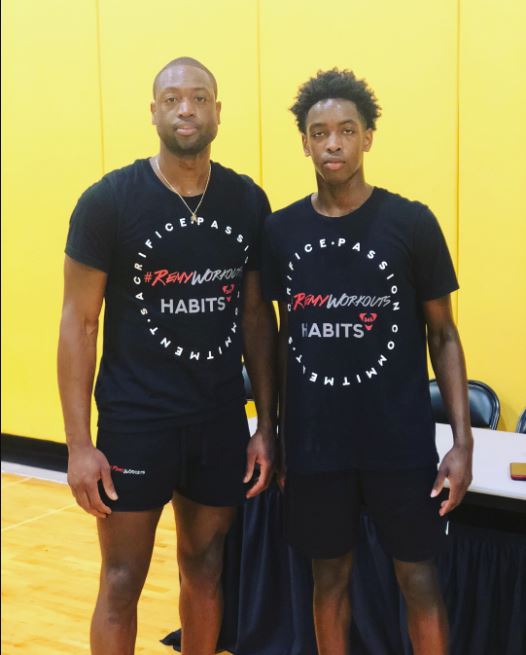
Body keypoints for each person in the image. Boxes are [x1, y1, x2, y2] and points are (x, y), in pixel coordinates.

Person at [57, 56, 277, 655]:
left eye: (200, 97)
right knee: (122, 580)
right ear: (153, 111)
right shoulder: (108, 202)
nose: (187, 109)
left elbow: (259, 320)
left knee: (204, 569)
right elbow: (79, 324)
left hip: (218, 421)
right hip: (136, 423)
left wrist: (267, 427)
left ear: (218, 111)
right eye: (174, 99)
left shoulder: (247, 202)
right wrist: (79, 446)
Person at [262, 69, 473, 655]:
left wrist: (462, 442)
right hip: (315, 447)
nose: (333, 143)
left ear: (368, 137)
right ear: (304, 141)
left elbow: (445, 336)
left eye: (346, 131)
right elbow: (279, 342)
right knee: (328, 580)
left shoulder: (411, 224)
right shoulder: (279, 231)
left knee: (420, 581)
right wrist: (271, 431)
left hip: (399, 445)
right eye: (320, 132)